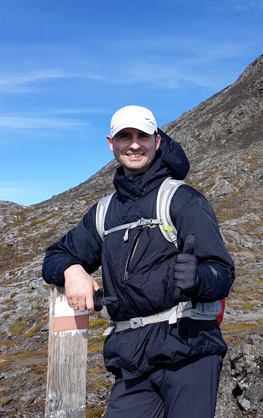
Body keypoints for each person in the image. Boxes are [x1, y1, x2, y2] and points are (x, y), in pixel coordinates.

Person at [42, 105, 234, 418]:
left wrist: (199, 279)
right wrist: (71, 269)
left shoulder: (183, 199)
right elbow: (53, 257)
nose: (133, 144)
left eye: (142, 135)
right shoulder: (104, 212)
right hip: (132, 360)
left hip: (190, 350)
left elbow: (222, 272)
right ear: (111, 143)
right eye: (124, 136)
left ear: (157, 141)